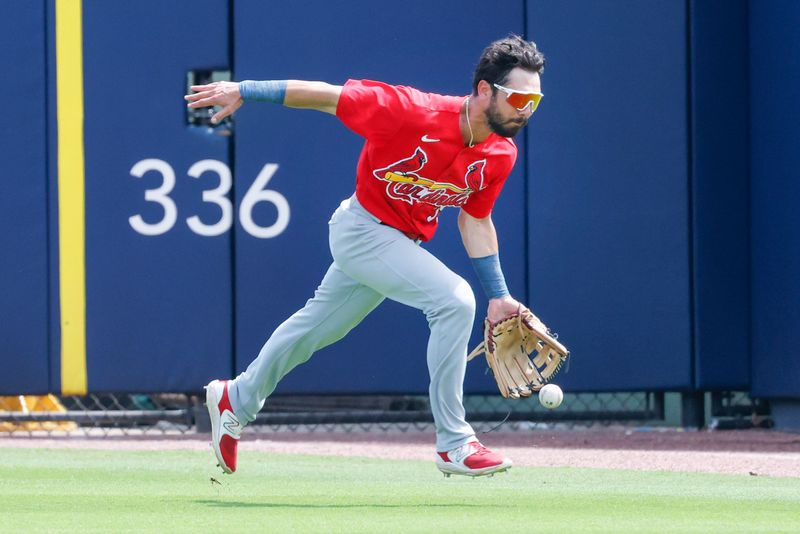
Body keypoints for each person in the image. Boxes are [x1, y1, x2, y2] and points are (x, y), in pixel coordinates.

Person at [185, 34, 545, 478]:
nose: (527, 108)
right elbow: (325, 96)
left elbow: (474, 220)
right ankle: (455, 443)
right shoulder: (413, 110)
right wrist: (246, 89)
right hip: (361, 229)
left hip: (397, 244)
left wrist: (501, 296)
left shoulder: (500, 153)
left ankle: (234, 397)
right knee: (454, 301)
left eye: (536, 99)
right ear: (485, 90)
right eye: (520, 96)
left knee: (313, 331)